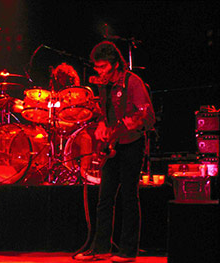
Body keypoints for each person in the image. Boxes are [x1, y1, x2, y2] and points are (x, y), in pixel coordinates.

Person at [74, 41, 155, 262]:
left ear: (115, 64)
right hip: (111, 145)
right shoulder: (103, 83)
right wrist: (101, 123)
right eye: (97, 67)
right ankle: (101, 249)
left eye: (102, 67)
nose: (98, 72)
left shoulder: (133, 82)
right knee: (104, 198)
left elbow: (148, 116)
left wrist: (134, 122)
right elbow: (104, 111)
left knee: (129, 197)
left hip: (131, 143)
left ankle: (128, 251)